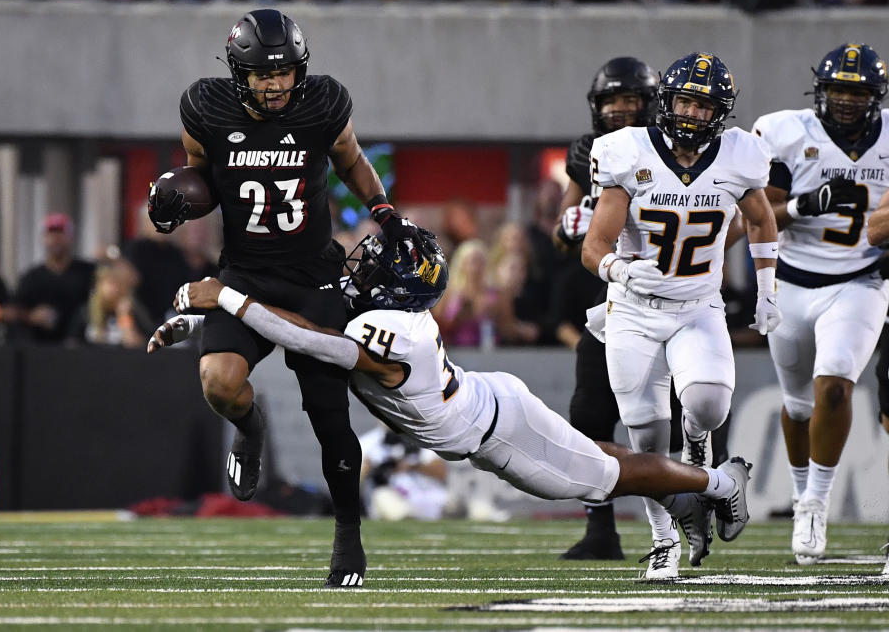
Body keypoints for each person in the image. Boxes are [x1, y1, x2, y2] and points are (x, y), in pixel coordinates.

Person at [151, 230, 754, 577]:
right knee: (599, 462)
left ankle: (718, 481)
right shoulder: (380, 314)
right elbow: (288, 320)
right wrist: (199, 323)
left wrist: (225, 298)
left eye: (378, 265)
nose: (361, 265)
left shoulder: (391, 331)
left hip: (498, 430)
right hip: (486, 405)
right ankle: (685, 492)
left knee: (603, 475)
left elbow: (307, 338)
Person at [148, 8, 423, 588]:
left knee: (329, 417)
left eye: (285, 73)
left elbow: (349, 156)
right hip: (244, 273)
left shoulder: (322, 102)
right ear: (237, 73)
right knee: (220, 384)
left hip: (314, 276)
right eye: (261, 75)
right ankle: (251, 429)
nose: (275, 85)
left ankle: (347, 534)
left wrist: (384, 212)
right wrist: (175, 200)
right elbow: (201, 180)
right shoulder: (206, 108)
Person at [581, 52, 780, 578]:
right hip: (633, 310)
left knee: (710, 405)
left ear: (722, 112)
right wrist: (617, 271)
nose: (691, 113)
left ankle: (698, 453)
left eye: (703, 104)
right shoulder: (628, 152)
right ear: (666, 102)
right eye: (685, 101)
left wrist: (767, 290)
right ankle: (663, 537)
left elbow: (760, 222)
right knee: (645, 440)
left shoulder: (740, 155)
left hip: (698, 306)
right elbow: (594, 244)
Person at [753, 42, 889, 566]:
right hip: (790, 279)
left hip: (860, 279)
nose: (847, 102)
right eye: (838, 90)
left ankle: (816, 502)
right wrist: (807, 204)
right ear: (821, 91)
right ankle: (799, 487)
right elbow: (761, 214)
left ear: (874, 97)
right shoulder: (787, 131)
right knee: (797, 405)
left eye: (857, 93)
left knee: (835, 386)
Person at [550, 56, 662, 561]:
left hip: (672, 293)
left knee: (682, 415)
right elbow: (562, 233)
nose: (620, 109)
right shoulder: (586, 154)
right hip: (613, 295)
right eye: (612, 100)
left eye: (631, 99)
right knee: (588, 410)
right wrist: (571, 226)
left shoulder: (674, 150)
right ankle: (601, 528)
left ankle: (696, 508)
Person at [14, 213, 96, 343]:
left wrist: (111, 257)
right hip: (41, 347)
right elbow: (14, 310)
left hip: (82, 347)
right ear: (43, 238)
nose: (56, 239)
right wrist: (31, 316)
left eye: (61, 233)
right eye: (51, 234)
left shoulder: (88, 271)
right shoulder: (31, 277)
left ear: (70, 237)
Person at [359, 423, 449, 522]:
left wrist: (412, 466)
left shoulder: (422, 437)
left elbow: (442, 472)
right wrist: (371, 469)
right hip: (391, 499)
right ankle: (408, 516)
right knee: (382, 495)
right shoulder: (368, 443)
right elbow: (351, 483)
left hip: (428, 499)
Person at [68, 259, 152, 348]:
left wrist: (124, 316)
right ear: (99, 285)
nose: (114, 289)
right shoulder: (85, 312)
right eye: (110, 282)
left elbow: (135, 345)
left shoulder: (133, 311)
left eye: (119, 283)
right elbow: (71, 345)